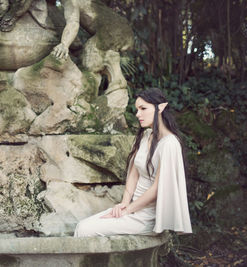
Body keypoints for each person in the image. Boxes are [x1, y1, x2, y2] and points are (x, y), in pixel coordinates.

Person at [74, 88, 192, 237]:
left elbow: (156, 189)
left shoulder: (169, 143)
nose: (138, 114)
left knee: (85, 230)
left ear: (160, 108)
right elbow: (133, 174)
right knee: (81, 226)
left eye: (143, 108)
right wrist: (124, 202)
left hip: (146, 217)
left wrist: (128, 210)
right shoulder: (146, 136)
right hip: (131, 208)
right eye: (137, 109)